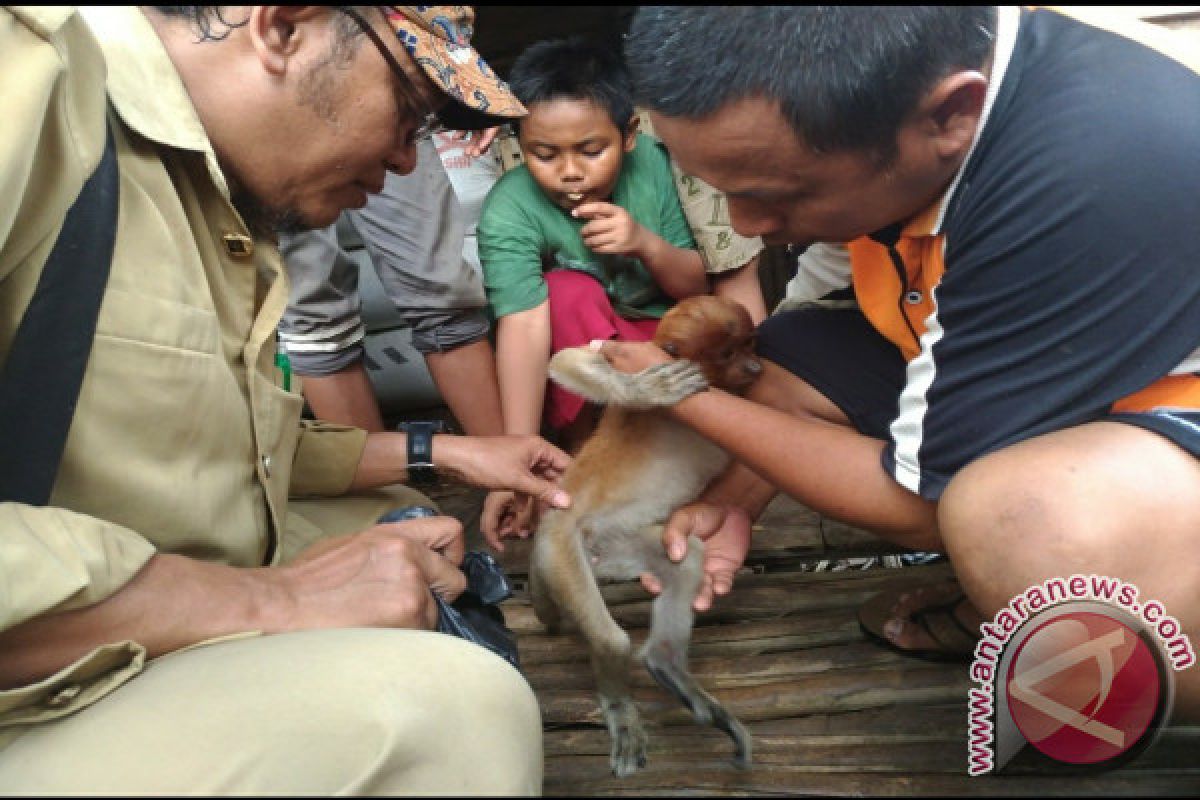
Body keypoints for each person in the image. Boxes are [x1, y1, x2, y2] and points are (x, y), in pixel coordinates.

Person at [0, 6, 571, 794]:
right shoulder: (26, 79)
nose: (407, 162)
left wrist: (448, 450)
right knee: (459, 713)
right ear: (283, 28)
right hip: (34, 689)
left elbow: (237, 443)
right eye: (408, 112)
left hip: (126, 616)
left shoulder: (212, 193)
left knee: (400, 522)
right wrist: (277, 598)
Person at [602, 6, 1200, 718]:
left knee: (1019, 524)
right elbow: (808, 334)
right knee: (773, 359)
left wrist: (679, 393)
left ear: (951, 114)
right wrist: (734, 501)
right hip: (1082, 360)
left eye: (772, 195)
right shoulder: (911, 110)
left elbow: (919, 506)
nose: (744, 226)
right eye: (722, 189)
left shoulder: (1091, 161)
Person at [277, 132, 506, 436]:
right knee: (313, 310)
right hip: (255, 118)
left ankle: (508, 472)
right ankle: (374, 480)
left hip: (370, 100)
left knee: (440, 285)